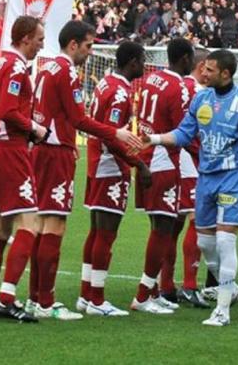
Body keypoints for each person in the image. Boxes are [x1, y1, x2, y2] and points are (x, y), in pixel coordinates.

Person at [144, 49, 238, 326]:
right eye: (204, 69)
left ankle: (222, 311)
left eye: (210, 70)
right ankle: (232, 290)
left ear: (226, 74)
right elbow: (183, 134)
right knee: (205, 242)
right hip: (206, 178)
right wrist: (153, 138)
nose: (204, 73)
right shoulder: (201, 98)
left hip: (233, 176)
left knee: (226, 240)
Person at [29, 20, 142, 321]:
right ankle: (46, 302)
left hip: (43, 149)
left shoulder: (47, 67)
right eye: (89, 46)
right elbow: (79, 119)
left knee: (42, 226)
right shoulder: (66, 71)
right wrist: (115, 133)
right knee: (55, 227)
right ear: (73, 44)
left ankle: (34, 298)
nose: (91, 52)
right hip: (58, 152)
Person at [77, 41, 152, 316]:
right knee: (106, 234)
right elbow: (111, 134)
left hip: (96, 164)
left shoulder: (105, 84)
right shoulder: (120, 93)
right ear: (132, 62)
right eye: (142, 60)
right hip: (110, 167)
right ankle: (97, 300)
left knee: (96, 231)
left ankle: (86, 296)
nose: (144, 66)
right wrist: (138, 164)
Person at [130, 37, 194, 315]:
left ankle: (154, 291)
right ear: (185, 59)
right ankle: (143, 295)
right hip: (164, 161)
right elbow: (182, 133)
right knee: (163, 228)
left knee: (160, 226)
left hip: (147, 157)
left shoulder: (151, 79)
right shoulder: (178, 86)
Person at [0, 16, 47, 323]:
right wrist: (35, 129)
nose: (41, 45)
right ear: (25, 38)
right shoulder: (14, 67)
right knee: (31, 222)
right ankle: (8, 298)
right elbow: (6, 110)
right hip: (9, 151)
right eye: (39, 39)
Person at [159, 47, 210, 308]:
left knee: (172, 223)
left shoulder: (175, 86)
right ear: (201, 67)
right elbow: (199, 133)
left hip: (171, 160)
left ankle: (166, 285)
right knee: (197, 220)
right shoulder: (198, 92)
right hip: (192, 162)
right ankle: (189, 284)